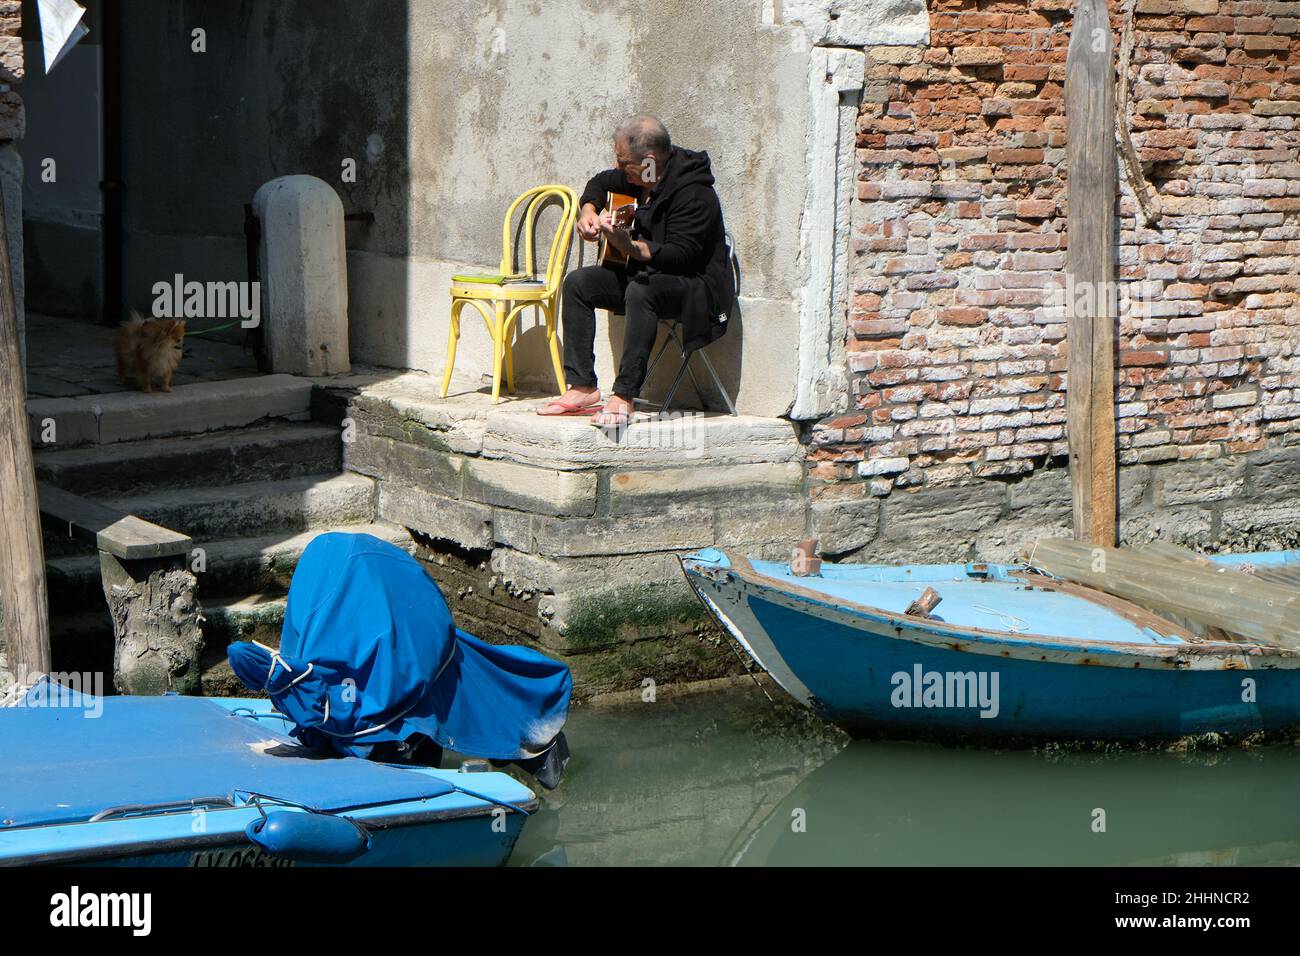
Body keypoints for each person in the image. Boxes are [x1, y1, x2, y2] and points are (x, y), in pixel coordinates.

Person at [537, 115, 735, 426]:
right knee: (578, 283)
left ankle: (624, 396)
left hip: (694, 288)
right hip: (647, 276)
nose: (619, 168)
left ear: (650, 161)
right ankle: (583, 388)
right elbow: (599, 184)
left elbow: (680, 257)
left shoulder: (695, 194)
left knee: (640, 290)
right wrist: (589, 212)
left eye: (623, 161)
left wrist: (629, 247)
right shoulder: (637, 175)